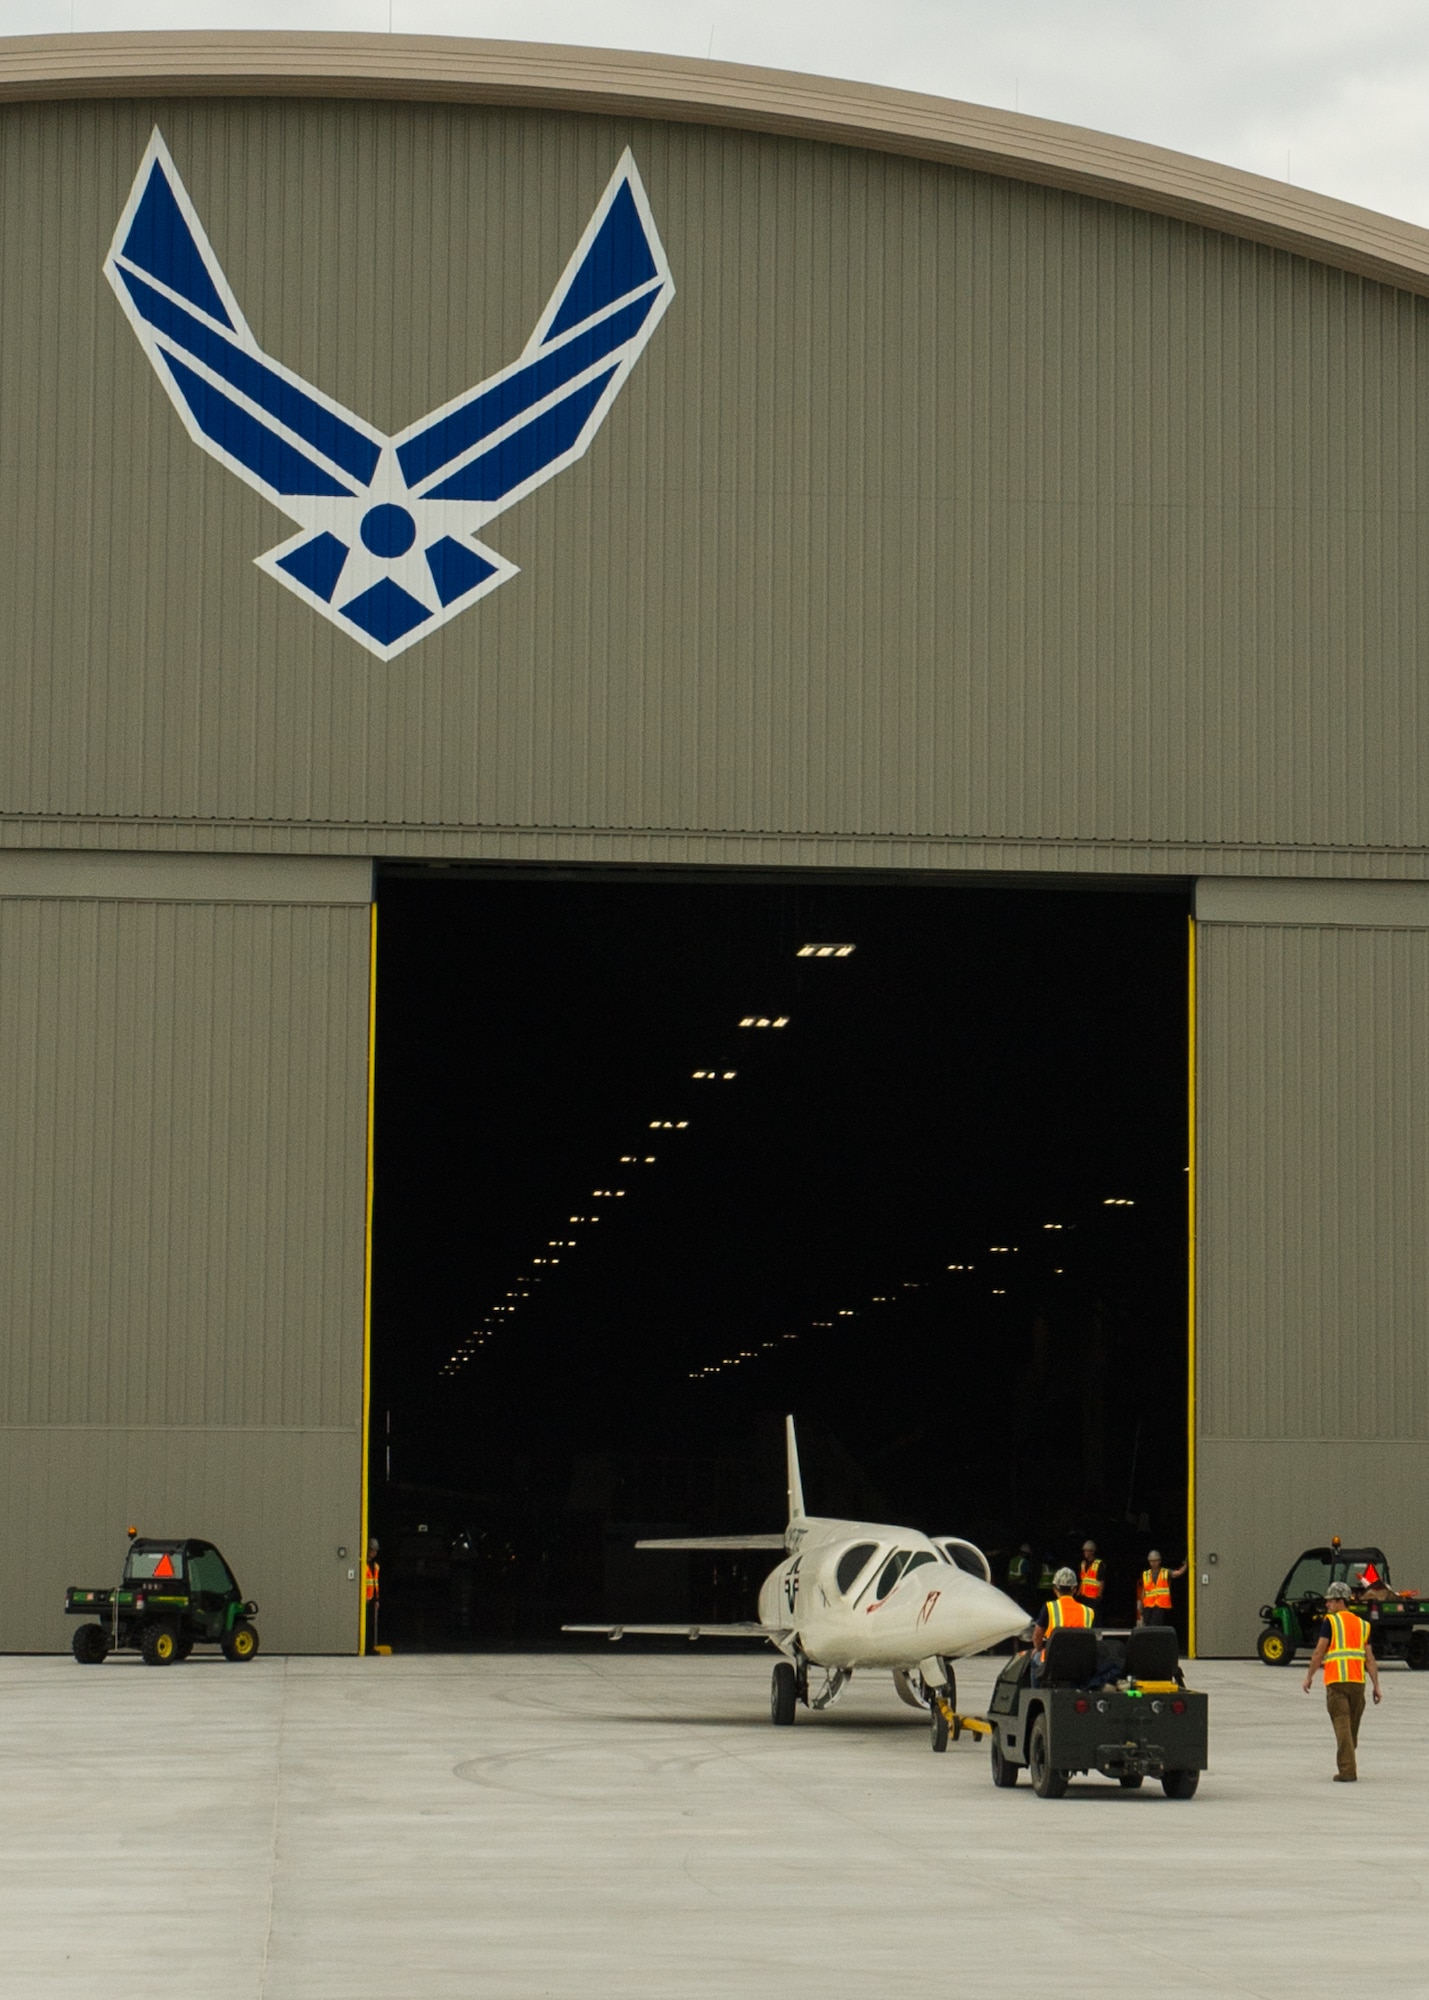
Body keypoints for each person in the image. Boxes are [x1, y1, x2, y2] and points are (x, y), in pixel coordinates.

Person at [1302, 1580, 1381, 1780]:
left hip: (1337, 1683)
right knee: (1350, 1729)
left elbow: (1319, 1651)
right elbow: (1369, 1658)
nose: (1327, 1605)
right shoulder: (1363, 1625)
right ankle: (1348, 1761)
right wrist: (1376, 1686)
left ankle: (1347, 1771)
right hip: (1357, 1684)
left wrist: (1309, 1676)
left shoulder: (1331, 1622)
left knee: (1343, 1727)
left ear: (1340, 1601)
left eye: (1330, 1601)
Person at [1030, 1566, 1093, 1683]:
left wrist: (1038, 1649)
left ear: (1055, 1589)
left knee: (1035, 1658)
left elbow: (1037, 1636)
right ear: (1074, 1589)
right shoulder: (1088, 1612)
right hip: (1079, 1663)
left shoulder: (1049, 1607)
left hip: (1054, 1663)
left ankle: (1036, 1694)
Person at [1136, 1549, 1187, 1626]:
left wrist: (1186, 1564)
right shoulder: (1146, 1574)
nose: (1153, 1563)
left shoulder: (1165, 1572)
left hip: (1159, 1604)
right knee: (1146, 1625)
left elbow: (1178, 1573)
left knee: (1155, 1624)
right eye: (1151, 1561)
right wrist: (1141, 1603)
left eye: (1155, 1561)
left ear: (1159, 1561)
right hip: (1148, 1605)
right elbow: (1145, 1590)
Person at [1077, 1540, 1105, 1618]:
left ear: (1092, 1552)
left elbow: (1102, 1581)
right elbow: (1083, 1580)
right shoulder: (1083, 1564)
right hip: (1083, 1597)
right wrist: (1078, 1593)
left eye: (1087, 1551)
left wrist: (1099, 1595)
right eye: (1084, 1551)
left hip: (1093, 1598)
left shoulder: (1099, 1564)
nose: (1085, 1553)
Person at [1006, 1543, 1034, 1611]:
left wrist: (1011, 1581)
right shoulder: (1025, 1562)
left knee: (1012, 1602)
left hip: (1011, 1584)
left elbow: (1009, 1571)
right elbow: (1025, 1574)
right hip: (1020, 1585)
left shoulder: (1012, 1560)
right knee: (1020, 1604)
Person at [364, 1537, 381, 1650]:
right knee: (366, 1625)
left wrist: (377, 1600)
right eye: (372, 1550)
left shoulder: (375, 1566)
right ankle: (366, 1646)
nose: (374, 1552)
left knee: (371, 1625)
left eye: (375, 1551)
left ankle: (370, 1647)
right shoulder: (363, 1565)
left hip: (372, 1599)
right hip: (365, 1600)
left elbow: (375, 1584)